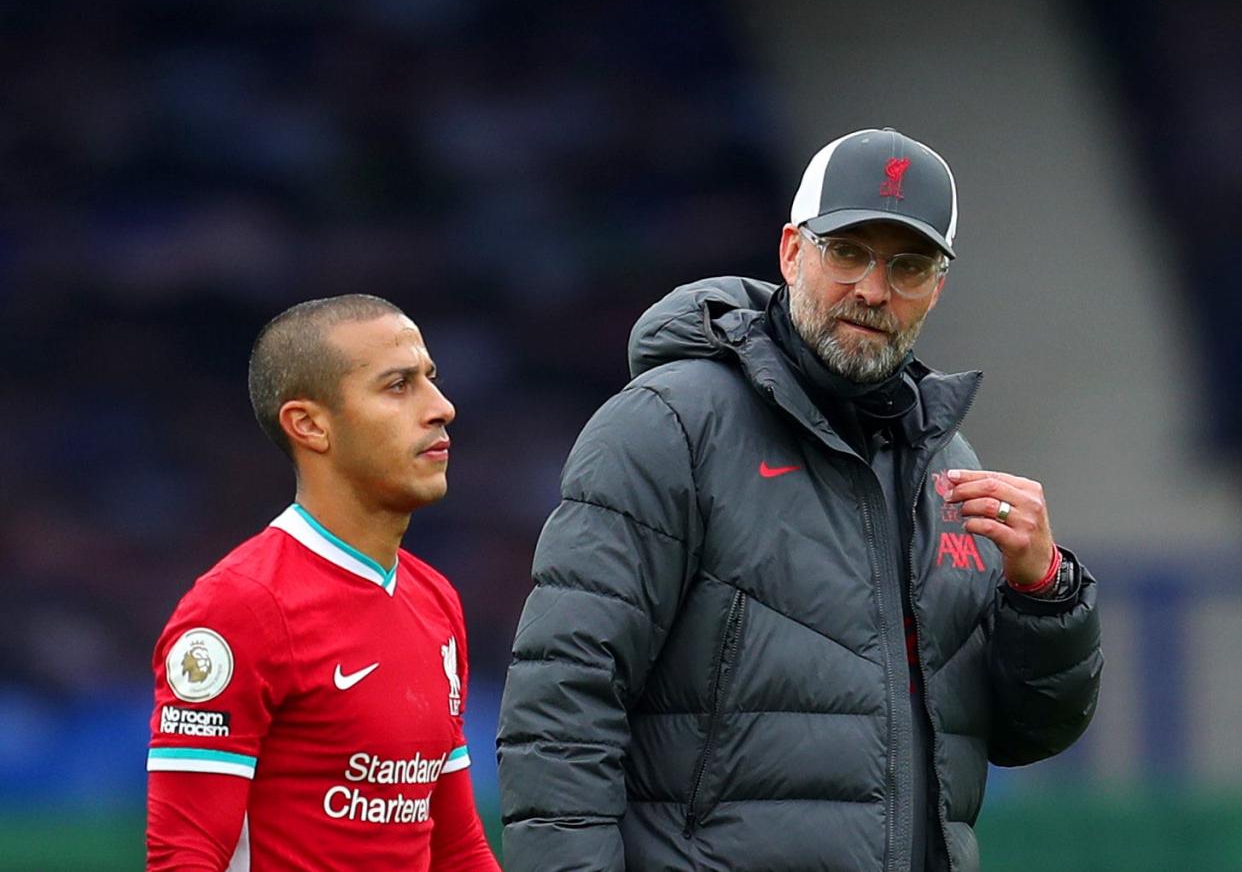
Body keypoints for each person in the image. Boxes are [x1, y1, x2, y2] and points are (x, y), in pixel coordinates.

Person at [497, 129, 1103, 872]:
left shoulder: (948, 464)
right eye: (847, 252)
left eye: (907, 266)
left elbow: (1016, 734)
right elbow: (563, 699)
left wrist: (1044, 593)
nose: (874, 291)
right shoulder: (669, 424)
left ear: (937, 288)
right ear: (791, 252)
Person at [146, 294, 501, 871]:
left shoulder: (435, 598)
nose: (442, 407)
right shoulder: (239, 605)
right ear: (310, 425)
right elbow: (182, 855)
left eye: (431, 380)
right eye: (398, 386)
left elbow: (456, 847)